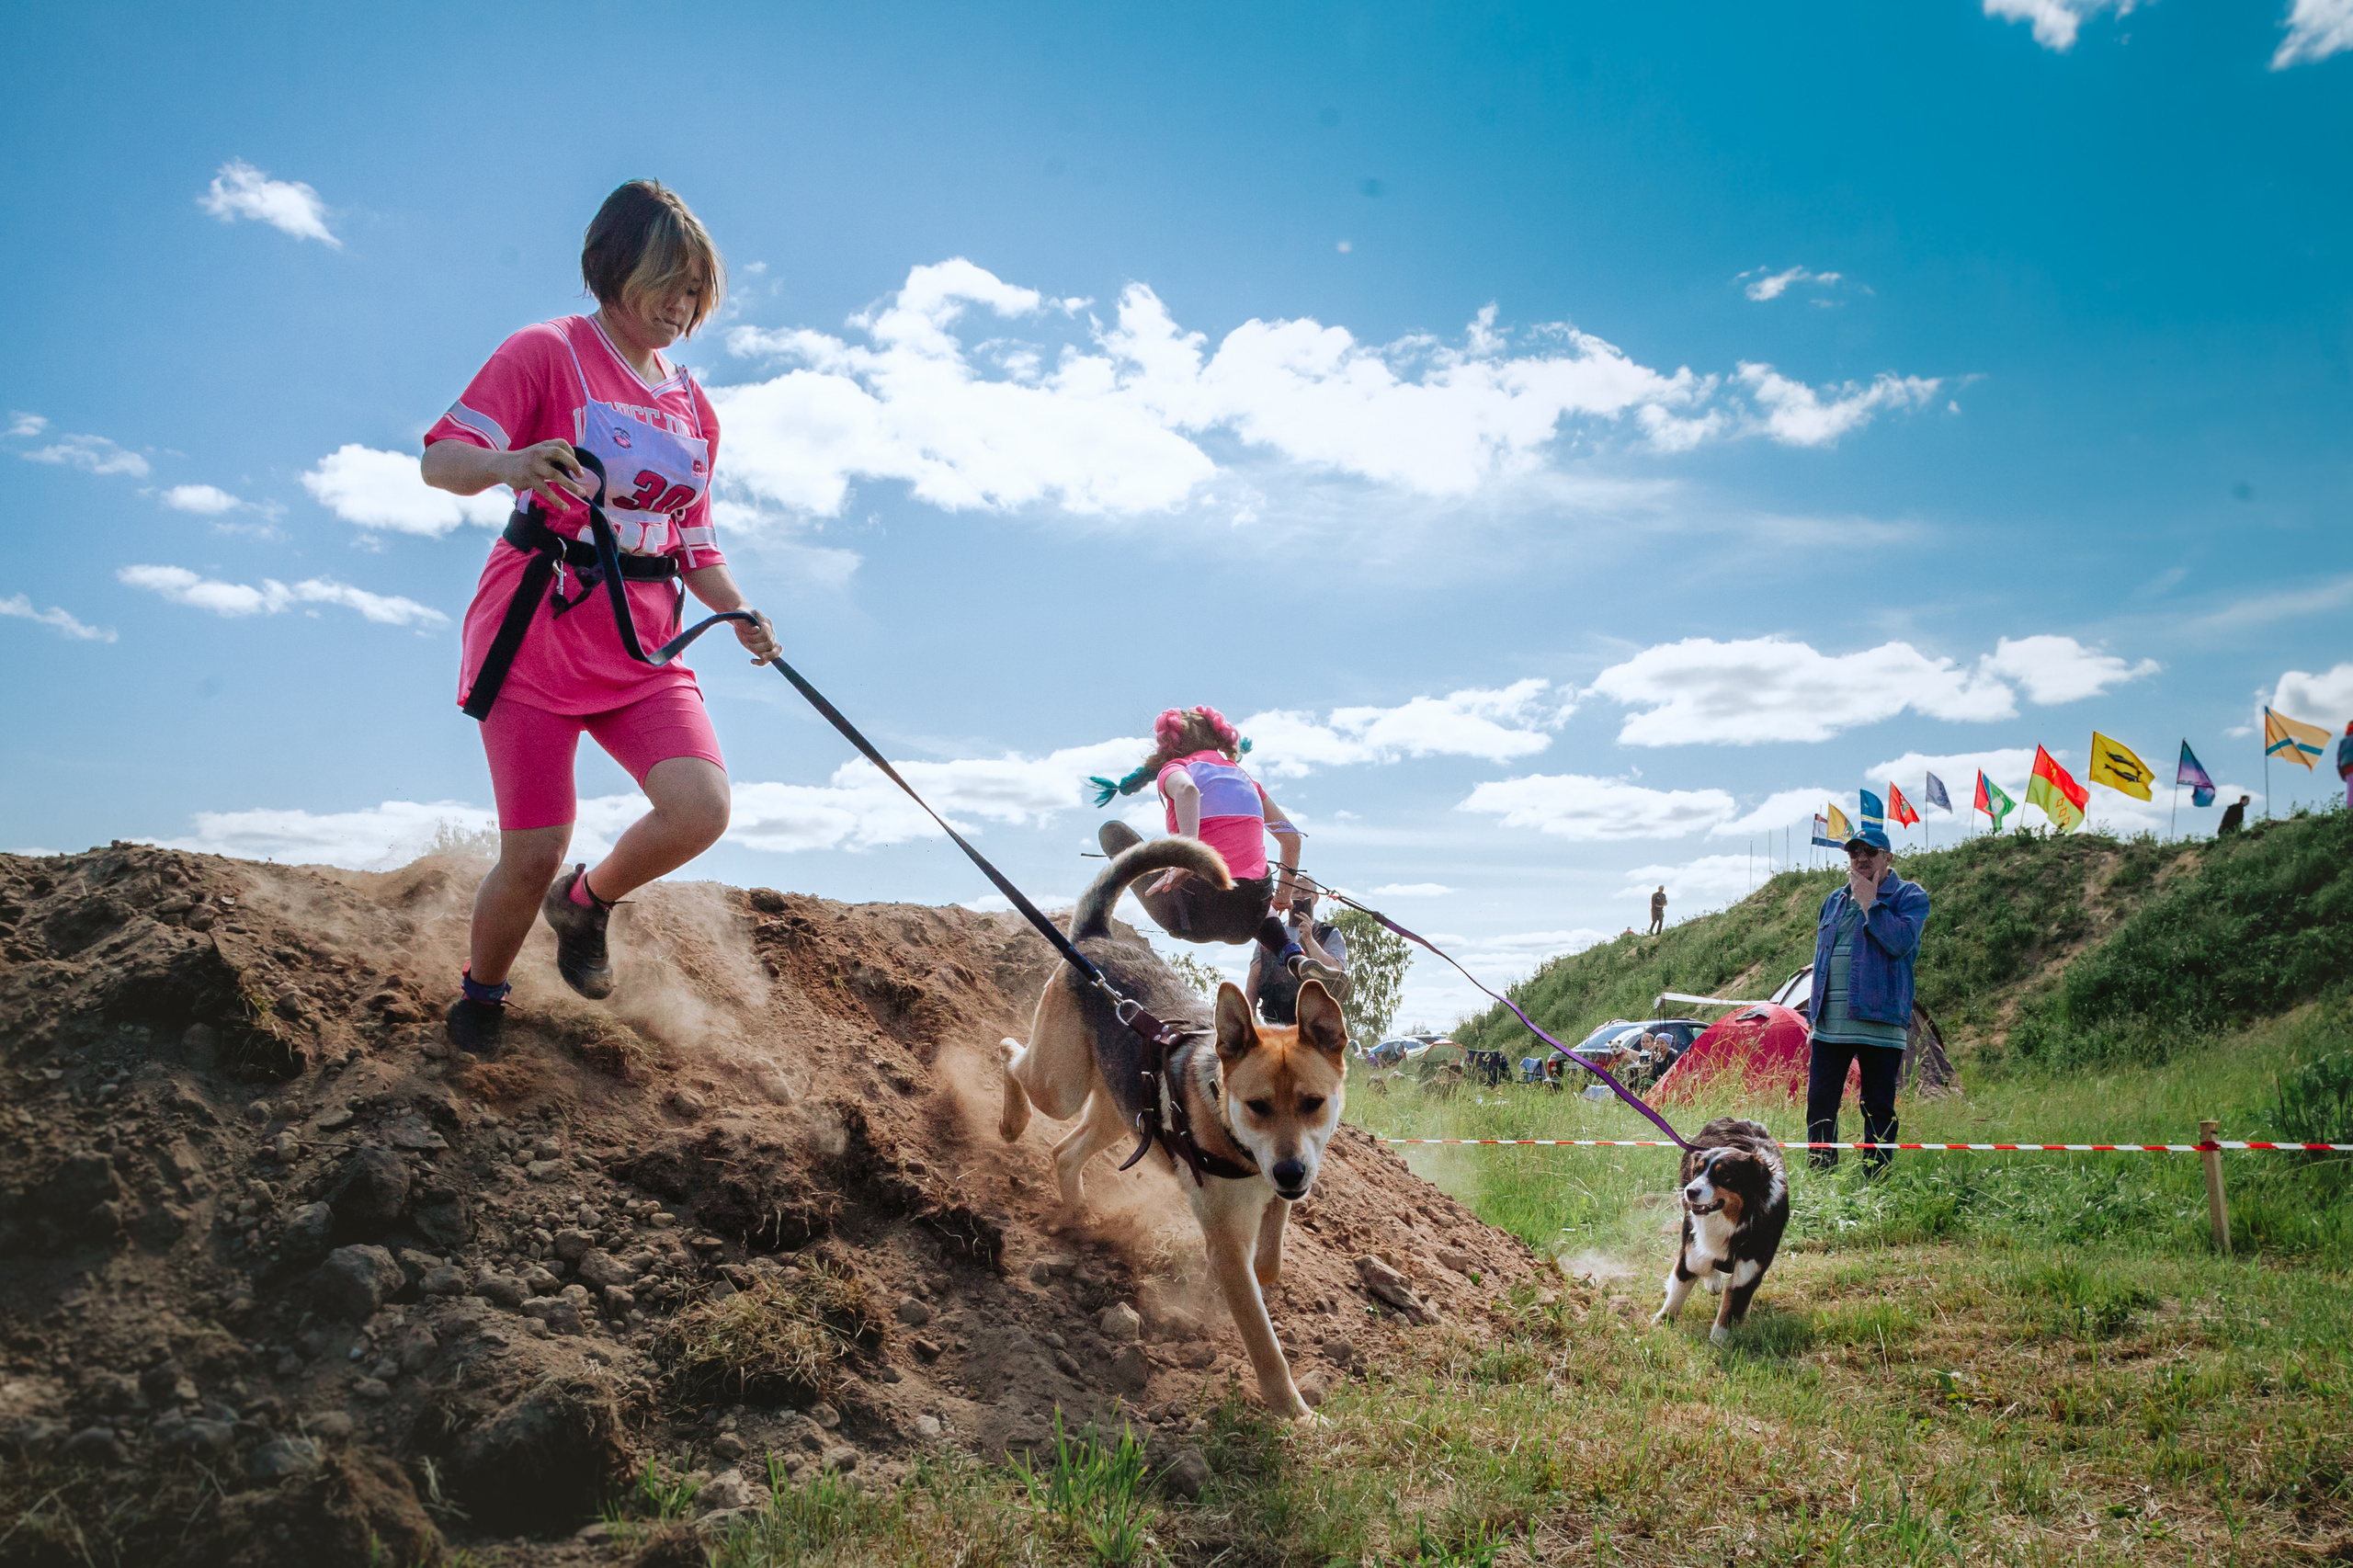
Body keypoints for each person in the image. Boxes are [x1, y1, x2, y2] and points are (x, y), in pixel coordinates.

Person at [421, 181, 780, 1055]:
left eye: (694, 290)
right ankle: (483, 993)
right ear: (612, 268)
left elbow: (694, 537)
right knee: (534, 846)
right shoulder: (547, 351)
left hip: (643, 643)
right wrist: (510, 462)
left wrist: (737, 612)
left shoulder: (695, 408)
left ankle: (584, 907)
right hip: (536, 631)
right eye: (664, 280)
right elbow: (440, 461)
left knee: (700, 806)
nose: (679, 305)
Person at [1093, 705, 1349, 1000]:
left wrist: (1188, 857)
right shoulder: (1245, 778)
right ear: (1218, 740)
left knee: (1113, 832)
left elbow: (1188, 791)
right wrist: (1283, 897)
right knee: (1250, 870)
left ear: (1170, 746)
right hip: (1248, 917)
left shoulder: (1176, 769)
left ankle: (1099, 920)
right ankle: (1293, 955)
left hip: (1191, 914)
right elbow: (1291, 838)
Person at [1804, 824, 1930, 1176]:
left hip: (1880, 1018)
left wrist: (1871, 903)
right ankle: (1821, 1179)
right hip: (1831, 1024)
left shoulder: (1910, 896)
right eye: (1854, 852)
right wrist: (1815, 1017)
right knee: (1820, 1105)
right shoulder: (1833, 900)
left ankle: (1875, 1181)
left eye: (1870, 852)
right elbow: (1822, 958)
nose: (1861, 858)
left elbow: (1901, 942)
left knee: (1877, 1107)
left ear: (1888, 857)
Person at [1245, 884, 1349, 1024]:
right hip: (1276, 1020)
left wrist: (1309, 939)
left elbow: (1336, 971)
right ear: (1289, 896)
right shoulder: (1272, 932)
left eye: (1306, 891)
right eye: (1296, 891)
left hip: (1316, 1021)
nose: (1300, 896)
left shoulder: (1329, 933)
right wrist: (1250, 1017)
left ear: (1316, 897)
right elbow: (1254, 977)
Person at [2338, 723, 2352, 809]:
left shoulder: (2343, 741)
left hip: (2346, 767)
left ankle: (2350, 807)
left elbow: (2339, 758)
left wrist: (2341, 774)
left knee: (2351, 787)